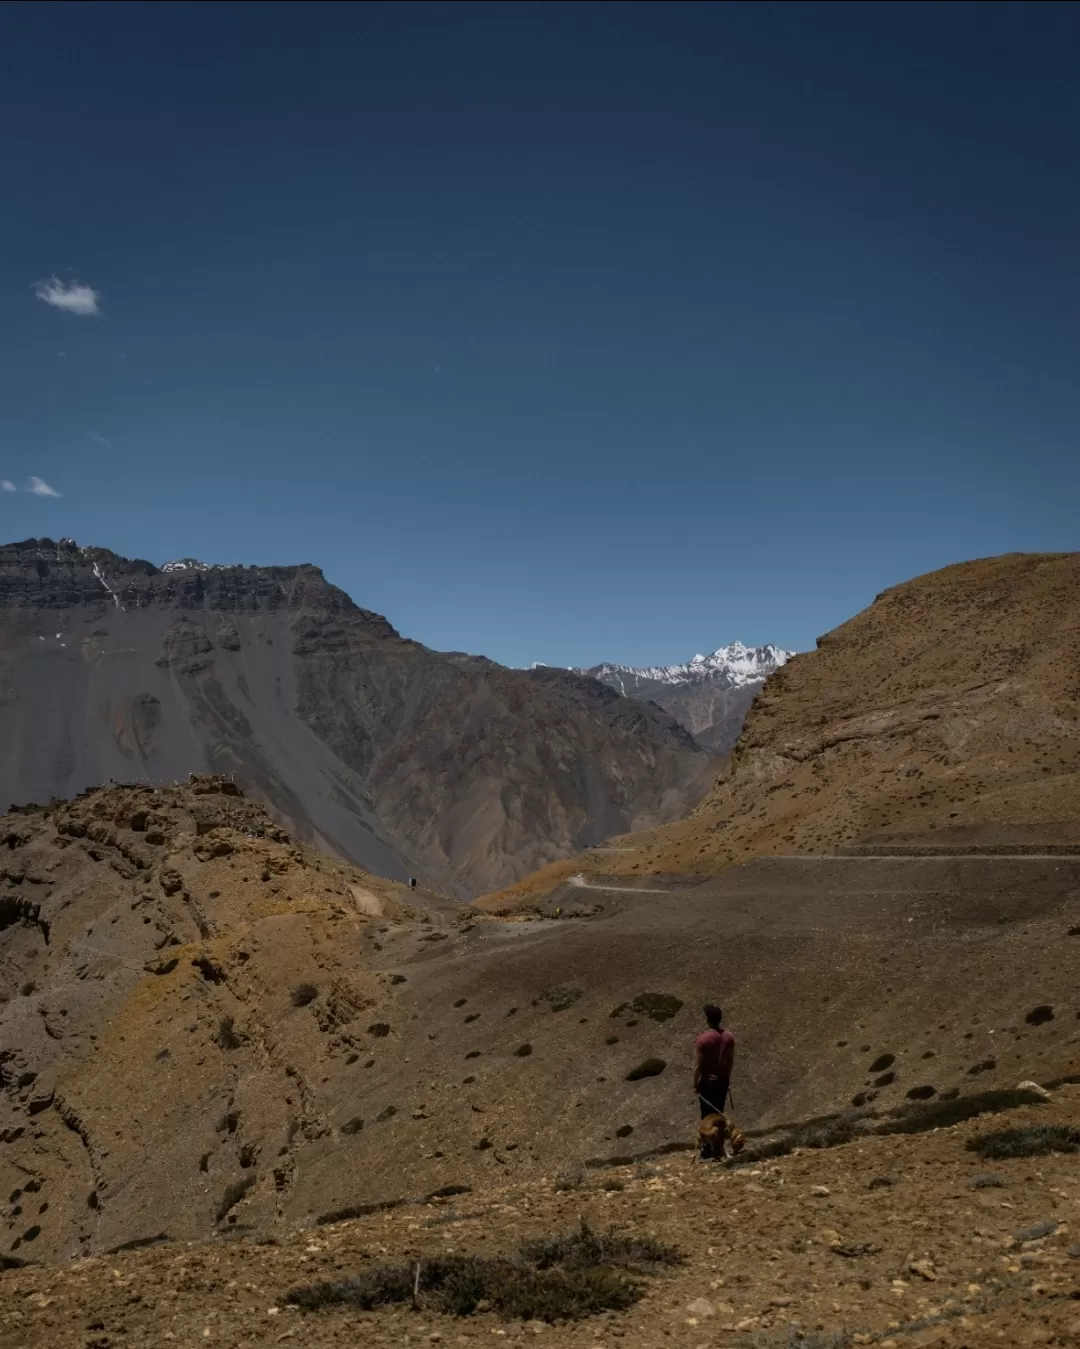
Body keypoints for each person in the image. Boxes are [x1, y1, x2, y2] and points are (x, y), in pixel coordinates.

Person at [694, 1003, 735, 1123]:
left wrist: (695, 1084)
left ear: (708, 1020)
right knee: (718, 1114)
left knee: (707, 1117)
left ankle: (708, 1141)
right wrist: (726, 1077)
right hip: (722, 1081)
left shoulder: (703, 1039)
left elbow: (698, 1065)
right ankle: (719, 1139)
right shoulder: (729, 1037)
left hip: (708, 1083)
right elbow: (730, 1061)